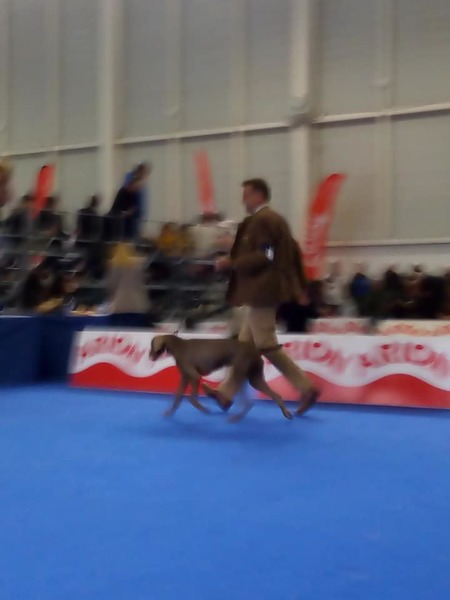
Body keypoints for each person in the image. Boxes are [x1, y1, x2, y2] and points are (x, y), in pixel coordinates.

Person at [204, 178, 319, 414]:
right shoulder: (275, 220)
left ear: (258, 195)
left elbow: (266, 254)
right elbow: (293, 252)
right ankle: (226, 395)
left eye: (246, 194)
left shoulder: (263, 220)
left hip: (262, 290)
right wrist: (300, 288)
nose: (242, 199)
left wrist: (231, 262)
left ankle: (306, 387)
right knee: (244, 347)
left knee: (266, 344)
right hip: (265, 289)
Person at [106, 242, 154, 328]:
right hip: (138, 305)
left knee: (119, 333)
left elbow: (111, 284)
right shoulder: (140, 263)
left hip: (119, 305)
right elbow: (146, 280)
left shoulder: (114, 264)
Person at [109, 173, 142, 241]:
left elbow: (134, 208)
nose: (137, 188)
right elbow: (117, 206)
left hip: (129, 221)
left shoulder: (135, 194)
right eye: (136, 185)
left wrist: (128, 213)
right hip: (118, 219)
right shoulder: (123, 191)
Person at [124, 162, 151, 238]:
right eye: (144, 173)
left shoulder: (142, 184)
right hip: (131, 215)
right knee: (130, 236)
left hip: (139, 214)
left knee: (136, 235)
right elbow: (129, 191)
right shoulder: (130, 179)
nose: (145, 176)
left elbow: (143, 200)